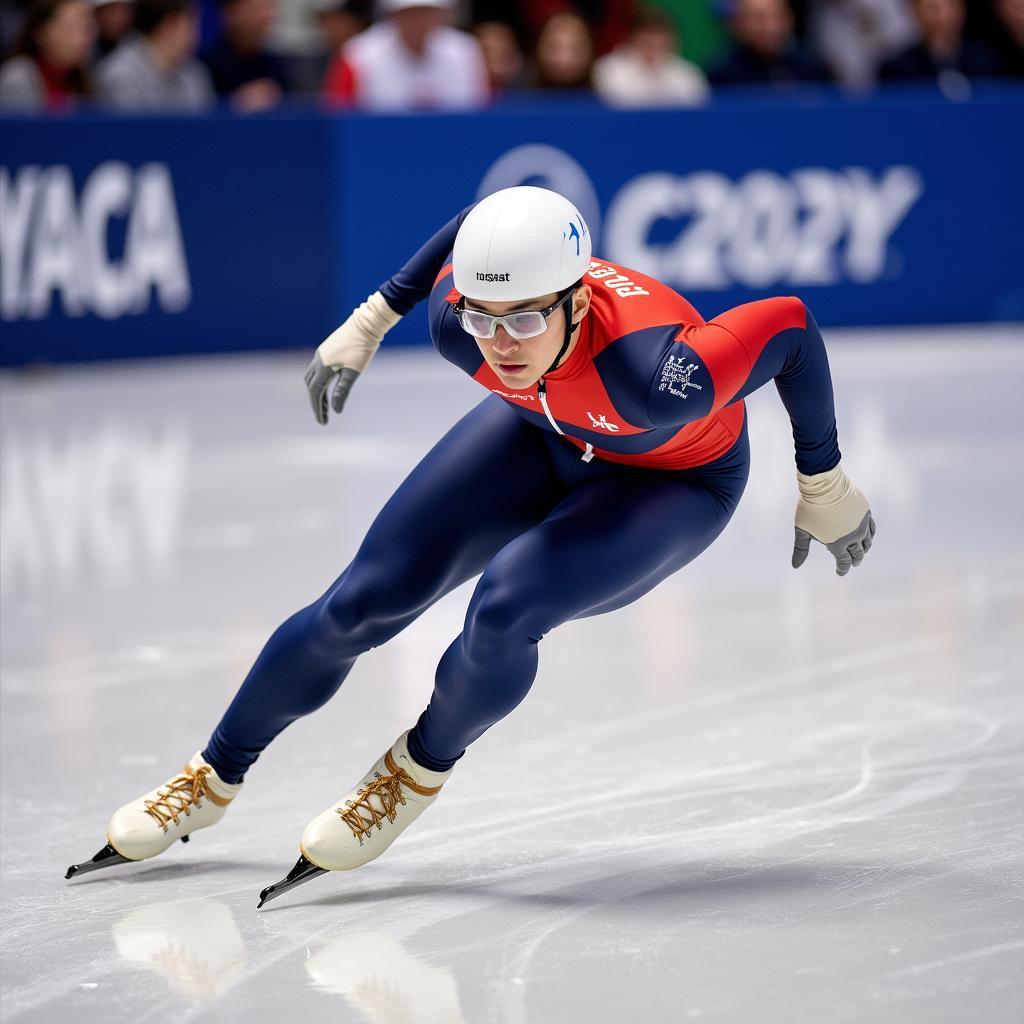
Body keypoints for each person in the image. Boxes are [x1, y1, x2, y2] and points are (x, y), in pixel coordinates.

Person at [67, 187, 875, 907]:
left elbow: (794, 329)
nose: (502, 344)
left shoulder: (658, 374)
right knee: (357, 604)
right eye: (485, 318)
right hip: (540, 432)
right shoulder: (462, 321)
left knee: (502, 609)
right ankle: (210, 778)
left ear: (579, 304)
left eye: (526, 318)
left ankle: (414, 770)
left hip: (669, 483)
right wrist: (376, 314)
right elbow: (474, 226)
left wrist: (823, 482)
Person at [322, 0, 488, 110]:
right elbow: (337, 115)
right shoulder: (357, 55)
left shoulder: (466, 51)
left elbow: (482, 110)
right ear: (392, 15)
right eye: (410, 14)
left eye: (427, 12)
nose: (419, 21)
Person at [95, 0, 213, 109]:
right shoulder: (120, 75)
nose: (197, 35)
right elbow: (125, 130)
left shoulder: (195, 74)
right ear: (170, 26)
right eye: (192, 25)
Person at [593, 8, 709, 106]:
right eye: (648, 39)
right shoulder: (609, 68)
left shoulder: (688, 73)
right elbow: (615, 105)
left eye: (662, 41)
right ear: (632, 38)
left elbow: (697, 108)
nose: (655, 45)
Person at [711, 0, 832, 88]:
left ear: (790, 19)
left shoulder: (813, 70)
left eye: (777, 16)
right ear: (739, 23)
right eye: (759, 18)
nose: (770, 27)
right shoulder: (722, 76)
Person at [878, 0, 998, 89]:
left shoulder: (986, 61)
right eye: (932, 8)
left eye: (949, 7)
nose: (940, 17)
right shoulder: (897, 69)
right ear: (914, 12)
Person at [0, 0, 94, 111]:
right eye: (69, 28)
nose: (81, 39)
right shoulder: (18, 79)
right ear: (40, 33)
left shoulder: (83, 80)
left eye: (86, 28)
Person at [200, 0, 288, 111]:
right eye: (257, 9)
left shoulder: (274, 65)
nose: (267, 17)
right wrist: (235, 103)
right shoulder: (204, 66)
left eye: (269, 8)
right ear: (231, 14)